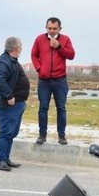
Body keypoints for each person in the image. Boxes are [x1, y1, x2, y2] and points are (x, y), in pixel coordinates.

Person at [31, 17, 75, 145]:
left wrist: (59, 46)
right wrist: (39, 69)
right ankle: (42, 135)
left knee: (61, 108)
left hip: (60, 80)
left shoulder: (65, 39)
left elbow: (71, 55)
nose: (51, 30)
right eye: (49, 28)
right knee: (43, 108)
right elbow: (34, 55)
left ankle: (61, 136)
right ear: (46, 27)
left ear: (60, 28)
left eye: (54, 28)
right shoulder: (39, 39)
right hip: (44, 81)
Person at [0, 37, 26, 171]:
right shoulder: (3, 62)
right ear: (16, 48)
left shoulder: (12, 61)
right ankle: (0, 160)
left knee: (11, 132)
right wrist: (9, 96)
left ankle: (6, 158)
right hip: (5, 105)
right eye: (21, 46)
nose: (22, 49)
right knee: (6, 132)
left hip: (16, 105)